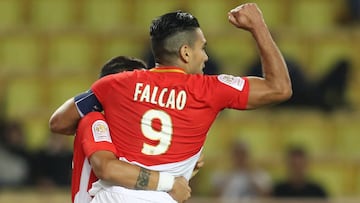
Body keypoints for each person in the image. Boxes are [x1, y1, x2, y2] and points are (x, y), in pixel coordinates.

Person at [50, 3, 292, 202]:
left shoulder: (115, 84)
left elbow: (60, 122)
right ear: (186, 53)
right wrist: (258, 26)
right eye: (202, 48)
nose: (206, 57)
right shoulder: (210, 90)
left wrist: (111, 118)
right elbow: (279, 88)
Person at [64, 56, 191, 202]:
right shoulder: (95, 120)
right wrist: (170, 183)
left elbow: (141, 178)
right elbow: (107, 169)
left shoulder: (133, 133)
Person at [246, 56, 350, 112]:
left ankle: (331, 101)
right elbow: (253, 93)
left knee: (343, 64)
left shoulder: (285, 60)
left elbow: (303, 77)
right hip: (284, 99)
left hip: (305, 91)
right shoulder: (256, 67)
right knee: (317, 98)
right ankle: (328, 104)